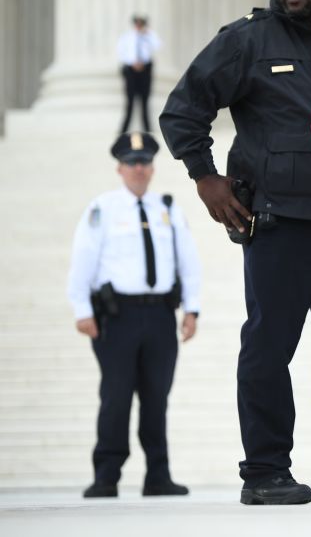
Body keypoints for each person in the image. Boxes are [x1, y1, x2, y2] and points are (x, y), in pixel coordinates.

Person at [159, 0, 311, 505]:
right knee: (268, 349)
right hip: (277, 224)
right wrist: (205, 177)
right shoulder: (246, 41)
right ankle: (266, 472)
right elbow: (182, 111)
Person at [67, 131, 200, 499]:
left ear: (152, 168)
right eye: (131, 163)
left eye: (144, 163)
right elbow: (83, 259)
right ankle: (106, 475)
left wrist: (192, 308)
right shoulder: (102, 209)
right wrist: (81, 309)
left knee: (157, 397)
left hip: (159, 314)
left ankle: (159, 475)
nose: (138, 169)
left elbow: (187, 262)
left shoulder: (168, 208)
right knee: (116, 395)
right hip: (117, 316)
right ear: (119, 168)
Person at [117, 15, 162, 134]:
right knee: (130, 100)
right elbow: (121, 52)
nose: (139, 26)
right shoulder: (127, 37)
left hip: (145, 70)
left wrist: (147, 35)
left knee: (145, 100)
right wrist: (133, 63)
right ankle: (124, 129)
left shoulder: (149, 36)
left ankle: (147, 129)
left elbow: (157, 45)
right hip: (130, 70)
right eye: (137, 23)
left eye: (141, 23)